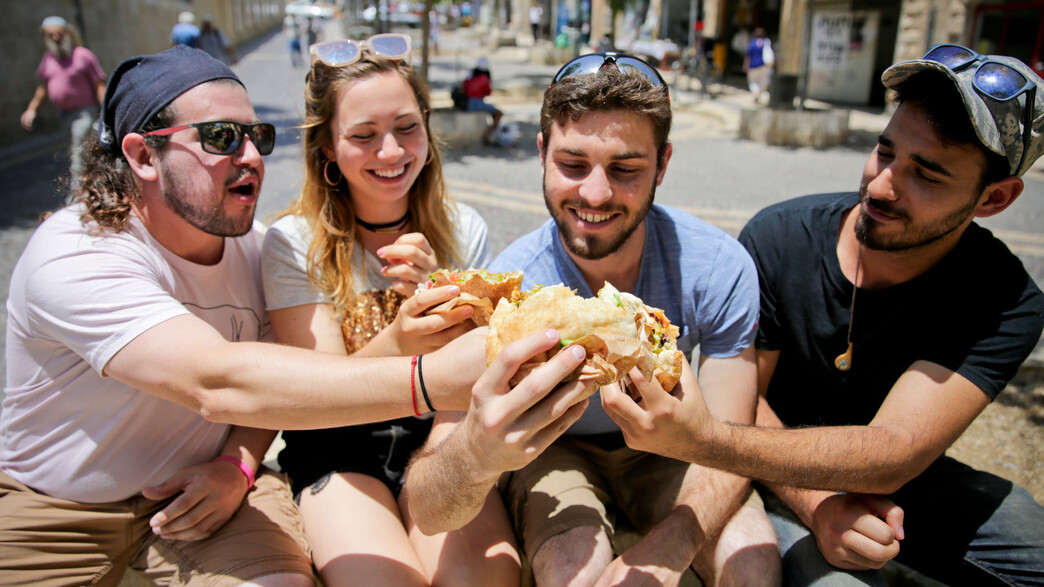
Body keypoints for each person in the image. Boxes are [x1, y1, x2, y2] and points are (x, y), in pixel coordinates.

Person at [0, 44, 491, 586]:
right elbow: (219, 382)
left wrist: (237, 463)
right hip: (55, 509)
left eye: (256, 136)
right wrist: (430, 375)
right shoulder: (78, 253)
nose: (253, 156)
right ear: (142, 156)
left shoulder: (254, 247)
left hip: (212, 493)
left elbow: (280, 386)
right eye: (221, 137)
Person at [601, 45, 1044, 586]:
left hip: (897, 478)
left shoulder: (1007, 297)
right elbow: (745, 397)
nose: (880, 185)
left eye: (927, 175)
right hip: (766, 467)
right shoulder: (781, 236)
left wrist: (700, 439)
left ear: (994, 199)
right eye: (884, 151)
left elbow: (898, 449)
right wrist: (817, 505)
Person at [406, 53, 782, 586]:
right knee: (572, 569)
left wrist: (668, 551)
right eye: (573, 164)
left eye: (626, 169)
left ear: (663, 164)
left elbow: (728, 443)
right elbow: (429, 508)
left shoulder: (717, 268)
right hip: (553, 448)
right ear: (541, 153)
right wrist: (475, 453)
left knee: (753, 560)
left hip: (676, 448)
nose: (595, 194)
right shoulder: (511, 291)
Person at [261, 35, 519, 585]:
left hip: (441, 440)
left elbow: (482, 368)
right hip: (337, 448)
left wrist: (450, 295)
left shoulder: (464, 229)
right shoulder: (293, 243)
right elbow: (317, 397)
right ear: (327, 146)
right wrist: (401, 340)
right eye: (363, 135)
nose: (391, 152)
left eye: (406, 127)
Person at [20, 16, 106, 184]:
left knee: (78, 148)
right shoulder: (49, 59)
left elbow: (99, 85)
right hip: (64, 114)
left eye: (58, 33)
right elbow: (43, 88)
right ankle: (93, 182)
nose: (55, 38)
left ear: (67, 33)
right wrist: (32, 109)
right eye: (50, 35)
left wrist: (107, 110)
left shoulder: (83, 56)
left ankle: (76, 191)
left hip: (84, 112)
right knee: (78, 151)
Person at [463, 57, 503, 146]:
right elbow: (488, 92)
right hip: (474, 103)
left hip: (467, 102)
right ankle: (488, 135)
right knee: (499, 113)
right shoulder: (484, 78)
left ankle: (493, 134)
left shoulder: (470, 75)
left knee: (493, 112)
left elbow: (464, 86)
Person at [743, 27, 772, 104]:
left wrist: (745, 65)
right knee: (763, 82)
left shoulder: (752, 44)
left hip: (753, 66)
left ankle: (756, 94)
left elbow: (748, 56)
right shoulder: (767, 42)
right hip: (764, 66)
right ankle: (760, 95)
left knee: (753, 82)